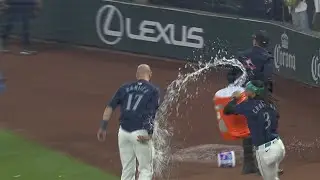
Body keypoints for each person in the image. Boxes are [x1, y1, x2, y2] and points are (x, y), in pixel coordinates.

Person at [97, 64, 160, 180]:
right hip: (140, 133)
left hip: (123, 133)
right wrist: (150, 134)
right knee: (145, 170)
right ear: (150, 74)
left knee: (127, 169)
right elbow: (151, 113)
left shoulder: (124, 87)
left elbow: (110, 107)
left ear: (137, 75)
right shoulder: (153, 90)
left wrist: (103, 126)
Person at [227, 30, 275, 175]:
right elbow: (267, 79)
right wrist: (267, 95)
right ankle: (263, 165)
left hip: (243, 94)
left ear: (255, 41)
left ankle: (248, 164)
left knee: (247, 128)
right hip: (260, 96)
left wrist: (236, 90)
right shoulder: (267, 58)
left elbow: (231, 75)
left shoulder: (242, 54)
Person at [224, 80, 285, 180]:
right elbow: (276, 116)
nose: (245, 91)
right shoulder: (271, 103)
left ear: (253, 93)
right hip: (279, 146)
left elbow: (227, 110)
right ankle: (274, 168)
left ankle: (272, 168)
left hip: (265, 152)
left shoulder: (248, 106)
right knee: (273, 171)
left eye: (247, 90)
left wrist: (235, 98)